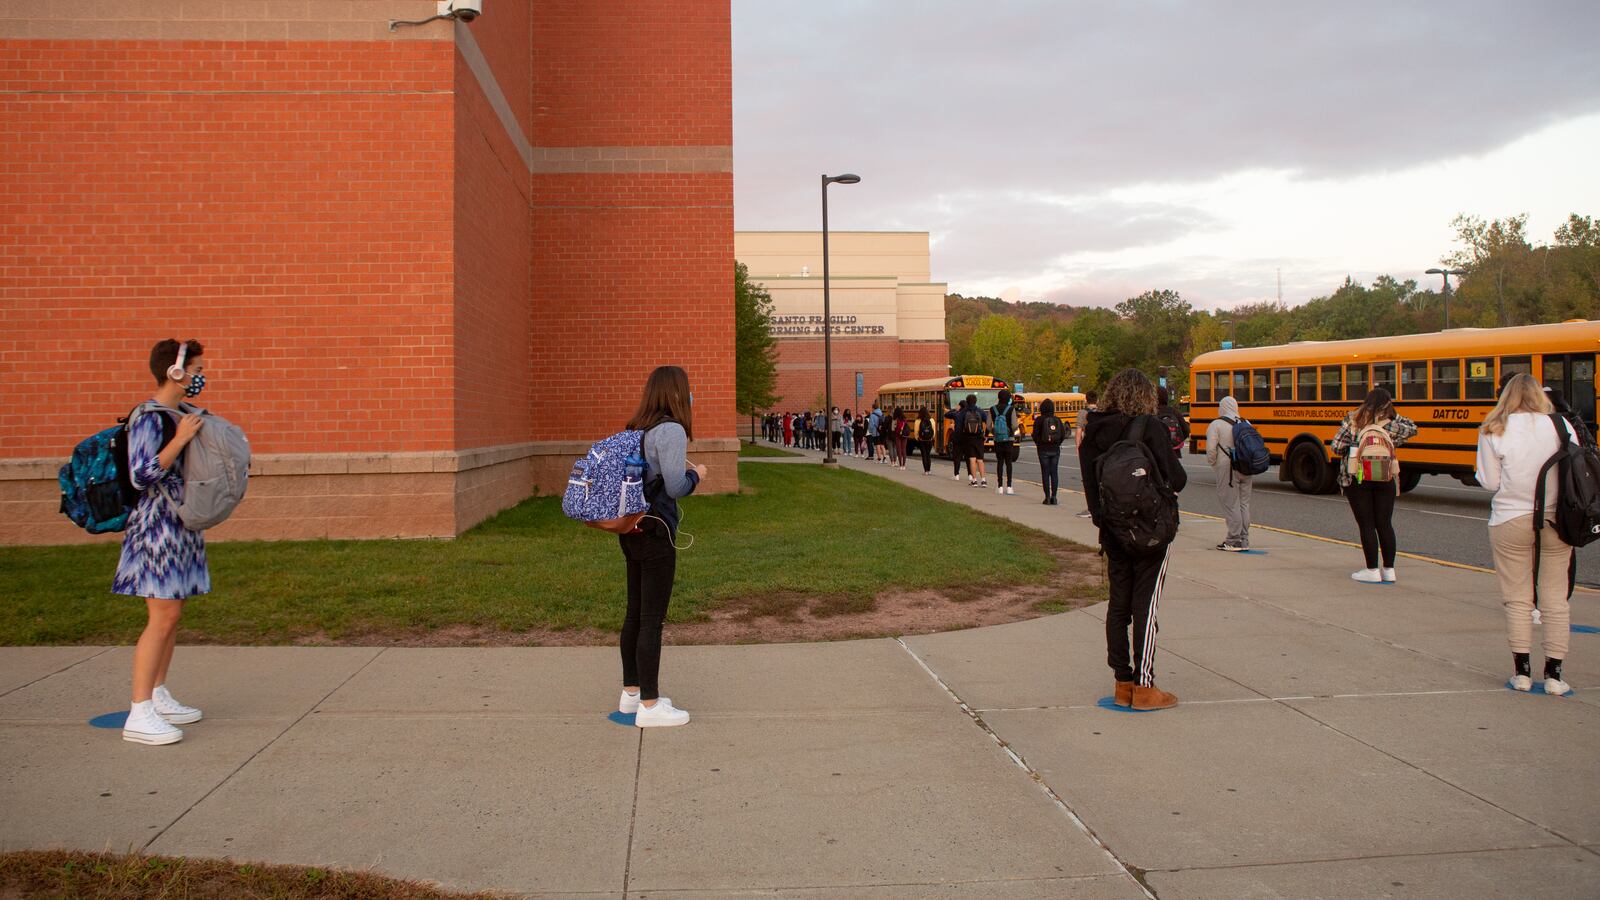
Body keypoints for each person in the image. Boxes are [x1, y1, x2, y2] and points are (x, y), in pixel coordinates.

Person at [114, 339, 211, 746]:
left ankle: (158, 693)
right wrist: (181, 437)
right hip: (156, 530)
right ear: (175, 371)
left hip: (179, 525)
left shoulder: (177, 414)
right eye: (195, 368)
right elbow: (141, 474)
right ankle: (139, 712)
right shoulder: (149, 418)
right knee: (161, 617)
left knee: (172, 615)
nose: (199, 376)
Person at [1079, 369, 1188, 710]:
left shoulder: (1093, 429)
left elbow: (1090, 488)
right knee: (1146, 605)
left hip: (1112, 531)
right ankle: (1145, 687)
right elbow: (1178, 478)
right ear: (1145, 397)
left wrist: (1105, 519)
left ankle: (1122, 682)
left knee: (1118, 606)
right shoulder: (1149, 427)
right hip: (1150, 532)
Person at [1476, 373, 1576, 696]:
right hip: (1557, 519)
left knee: (1518, 597)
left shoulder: (1494, 428)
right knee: (1555, 597)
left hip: (1511, 519)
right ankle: (1555, 676)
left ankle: (1521, 672)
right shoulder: (1561, 426)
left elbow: (1490, 483)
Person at [617, 365, 705, 728]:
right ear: (675, 393)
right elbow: (674, 486)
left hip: (632, 528)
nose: (690, 397)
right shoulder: (670, 429)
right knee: (652, 619)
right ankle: (651, 707)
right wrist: (697, 474)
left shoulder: (636, 428)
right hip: (657, 532)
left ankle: (631, 695)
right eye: (687, 391)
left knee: (635, 613)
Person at [1330, 389, 1417, 582]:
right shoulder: (1393, 422)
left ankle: (1371, 570)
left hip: (1357, 478)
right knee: (1385, 524)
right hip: (1385, 477)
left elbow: (1336, 446)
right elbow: (1412, 429)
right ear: (1388, 403)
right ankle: (1389, 569)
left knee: (1366, 524)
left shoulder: (1354, 419)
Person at [1206, 395, 1253, 551]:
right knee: (1244, 504)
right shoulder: (1246, 422)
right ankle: (1244, 539)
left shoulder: (1216, 424)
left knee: (1231, 503)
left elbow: (1211, 450)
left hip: (1227, 468)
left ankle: (1233, 540)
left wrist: (1215, 465)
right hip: (1246, 467)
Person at [1031, 396, 1066, 504]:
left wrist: (1039, 444)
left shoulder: (1039, 420)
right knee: (1054, 472)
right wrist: (1057, 443)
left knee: (1045, 473)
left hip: (1043, 449)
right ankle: (1054, 497)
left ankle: (1047, 497)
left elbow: (1034, 435)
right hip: (1055, 449)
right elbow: (1063, 434)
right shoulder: (1057, 420)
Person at [990, 390, 1020, 495]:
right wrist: (1010, 431)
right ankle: (1009, 486)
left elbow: (989, 426)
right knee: (1008, 463)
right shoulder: (1011, 409)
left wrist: (995, 432)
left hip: (997, 440)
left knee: (1000, 462)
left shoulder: (992, 409)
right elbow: (1014, 425)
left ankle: (1000, 486)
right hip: (1009, 439)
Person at [1074, 391, 1099, 518]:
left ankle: (1091, 508)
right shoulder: (1102, 412)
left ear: (1086, 400)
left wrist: (1078, 448)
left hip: (1088, 448)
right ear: (1097, 400)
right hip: (1100, 448)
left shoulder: (1082, 413)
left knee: (1088, 479)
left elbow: (1078, 432)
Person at [914, 407, 935, 474]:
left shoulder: (918, 421)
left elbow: (916, 431)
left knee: (924, 455)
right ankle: (929, 470)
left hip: (922, 440)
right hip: (929, 440)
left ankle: (926, 471)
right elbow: (933, 431)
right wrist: (931, 437)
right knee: (928, 455)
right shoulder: (932, 420)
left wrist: (917, 438)